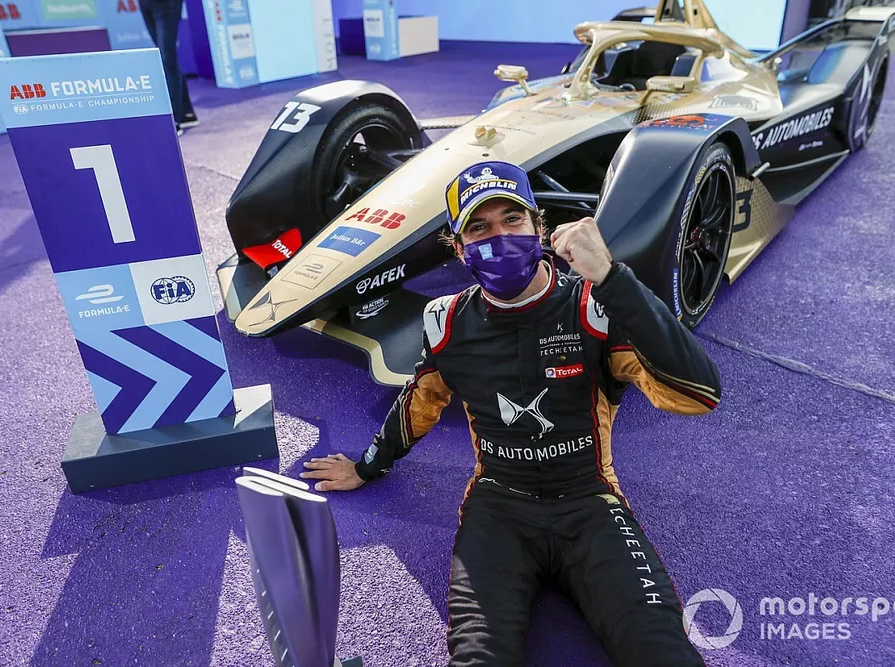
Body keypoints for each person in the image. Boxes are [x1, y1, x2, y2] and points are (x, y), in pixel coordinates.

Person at [301, 160, 720, 666]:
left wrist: (613, 278)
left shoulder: (593, 305)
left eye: (512, 219)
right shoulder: (447, 320)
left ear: (540, 227)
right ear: (458, 249)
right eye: (479, 227)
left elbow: (698, 394)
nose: (499, 237)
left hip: (590, 504)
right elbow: (421, 402)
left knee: (662, 652)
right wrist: (366, 465)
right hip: (498, 509)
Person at [140, 0, 198, 133]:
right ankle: (186, 113)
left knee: (167, 58)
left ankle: (174, 119)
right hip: (145, 4)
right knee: (165, 58)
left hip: (167, 4)